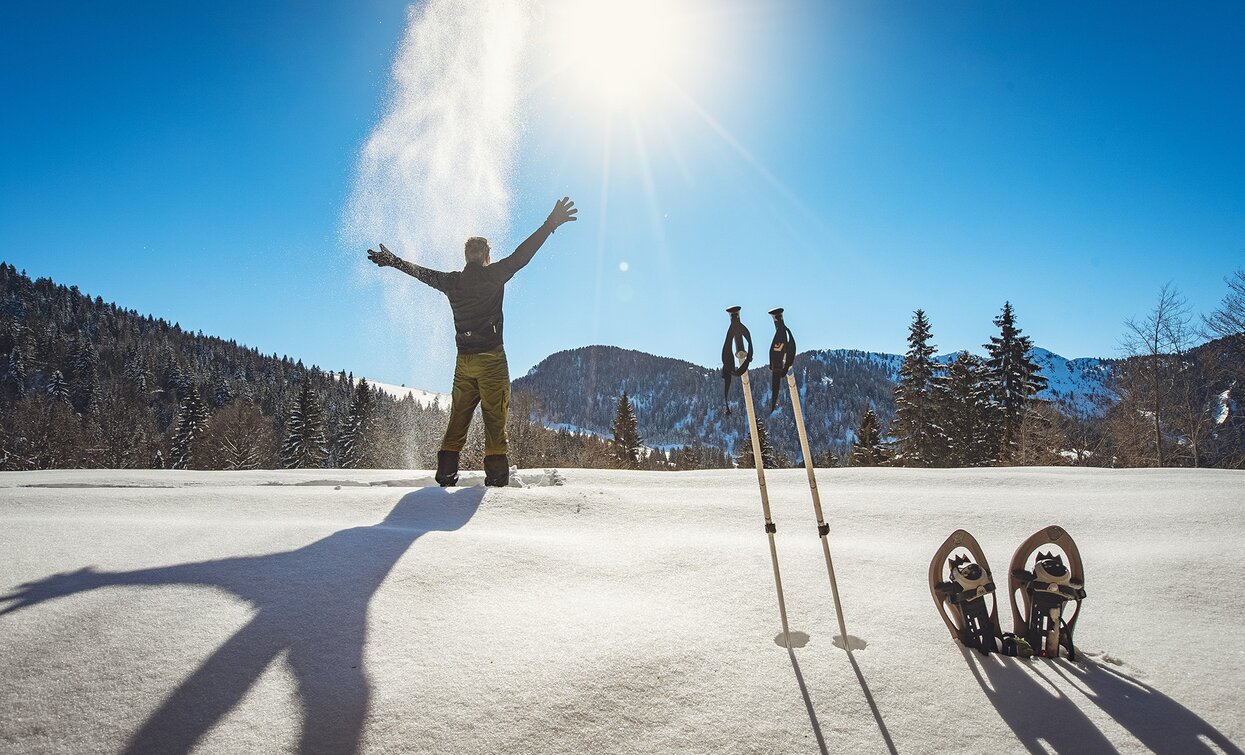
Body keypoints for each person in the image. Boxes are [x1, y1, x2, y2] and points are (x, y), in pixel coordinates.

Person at [367, 197, 577, 487]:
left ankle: (445, 477)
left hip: (463, 364)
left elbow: (423, 274)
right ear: (486, 255)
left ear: (467, 257)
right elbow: (522, 256)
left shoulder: (453, 282)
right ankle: (497, 482)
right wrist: (550, 224)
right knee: (494, 423)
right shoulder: (493, 276)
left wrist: (394, 262)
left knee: (457, 420)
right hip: (491, 360)